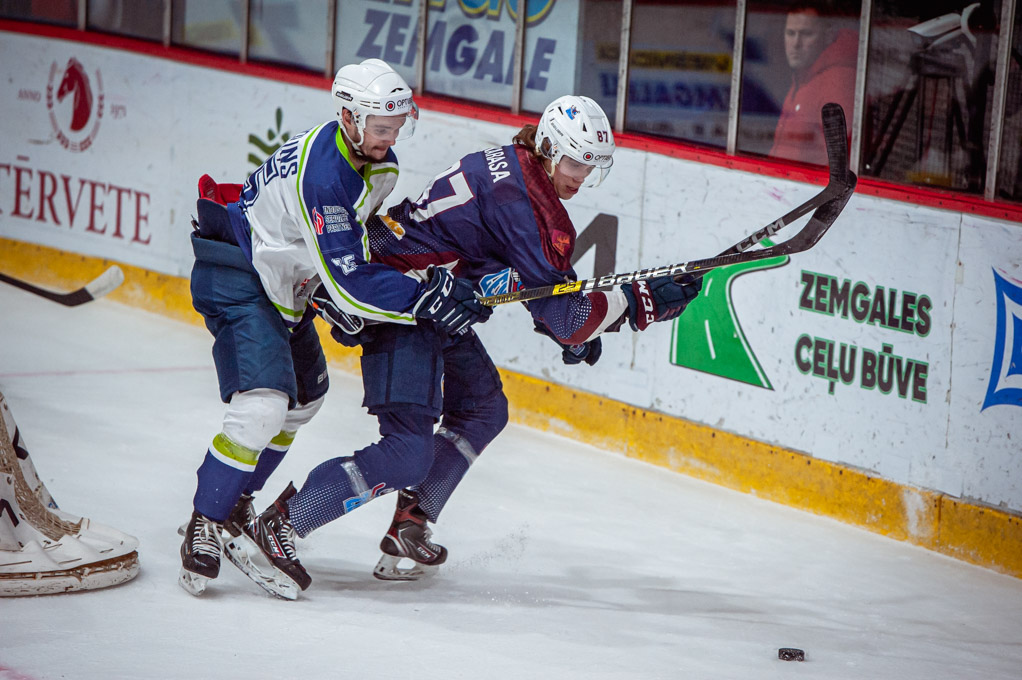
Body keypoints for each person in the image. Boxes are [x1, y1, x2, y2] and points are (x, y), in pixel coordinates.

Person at [231, 95, 705, 596]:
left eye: (591, 166)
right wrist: (641, 303)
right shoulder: (528, 205)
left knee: (483, 409)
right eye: (574, 162)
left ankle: (411, 522)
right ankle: (281, 524)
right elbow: (569, 317)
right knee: (406, 453)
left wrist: (577, 321)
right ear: (548, 148)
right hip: (402, 305)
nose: (581, 177)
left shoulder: (515, 170)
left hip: (430, 300)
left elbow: (523, 282)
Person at [178, 58, 492, 597]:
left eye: (397, 126)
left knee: (303, 403)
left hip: (282, 285)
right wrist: (423, 299)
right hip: (239, 275)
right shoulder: (324, 174)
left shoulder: (374, 162)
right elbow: (349, 279)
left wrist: (342, 293)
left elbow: (341, 255)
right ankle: (204, 520)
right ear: (348, 117)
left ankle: (235, 503)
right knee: (264, 405)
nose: (391, 138)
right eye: (381, 127)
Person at [769, 2, 857, 165]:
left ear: (827, 36)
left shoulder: (836, 82)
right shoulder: (803, 79)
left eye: (806, 34)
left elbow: (837, 165)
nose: (796, 43)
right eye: (790, 33)